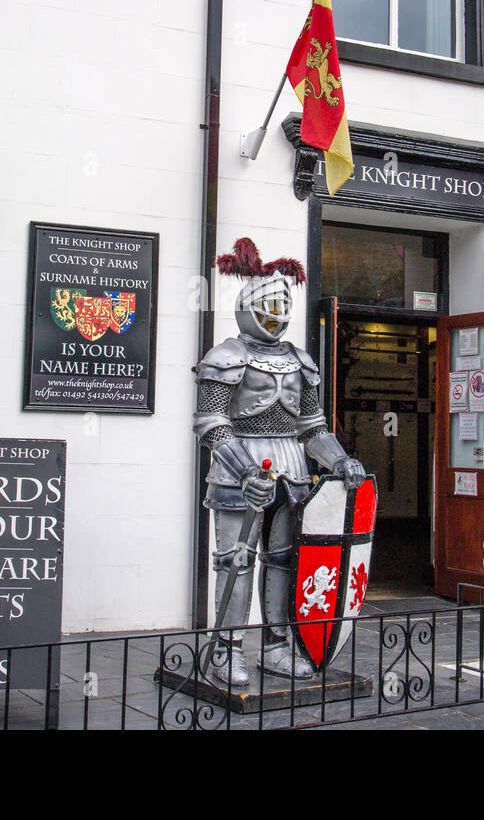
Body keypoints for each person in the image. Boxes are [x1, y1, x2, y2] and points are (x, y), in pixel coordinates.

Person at [192, 238, 365, 685]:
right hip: (238, 465)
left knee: (284, 560)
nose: (276, 313)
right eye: (267, 305)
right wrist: (246, 470)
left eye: (281, 305)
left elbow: (312, 426)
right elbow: (211, 422)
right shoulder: (227, 356)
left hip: (293, 471)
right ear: (248, 306)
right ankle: (227, 650)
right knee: (234, 561)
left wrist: (341, 460)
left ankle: (275, 644)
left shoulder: (301, 361)